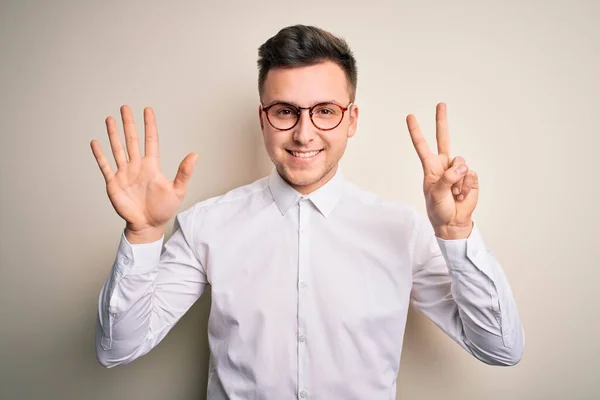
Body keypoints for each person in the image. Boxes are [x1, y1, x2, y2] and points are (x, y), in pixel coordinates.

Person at [90, 24, 524, 399]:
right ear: (263, 118)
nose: (303, 133)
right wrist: (143, 234)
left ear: (351, 120)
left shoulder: (403, 230)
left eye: (325, 112)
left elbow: (500, 349)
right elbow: (118, 350)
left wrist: (456, 232)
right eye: (285, 111)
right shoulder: (208, 224)